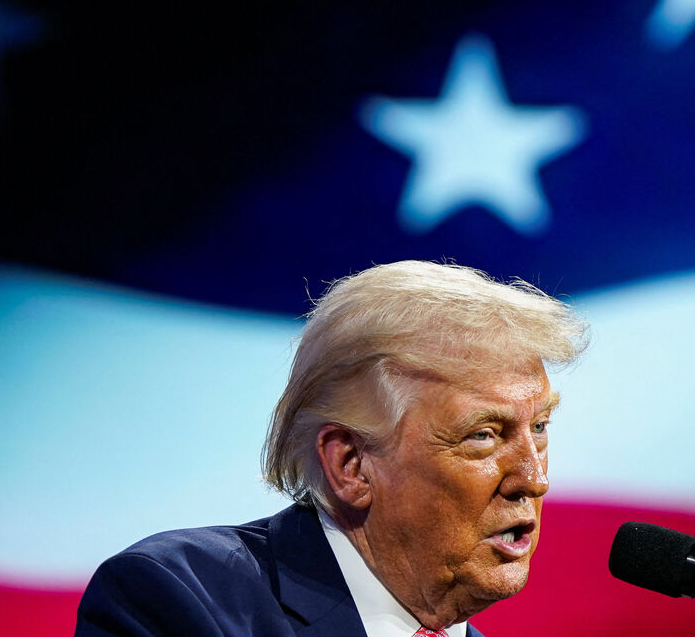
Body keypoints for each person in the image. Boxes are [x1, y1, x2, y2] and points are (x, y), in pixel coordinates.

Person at [75, 260, 588, 637]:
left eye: (540, 426)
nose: (534, 478)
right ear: (351, 465)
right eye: (484, 434)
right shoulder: (179, 603)